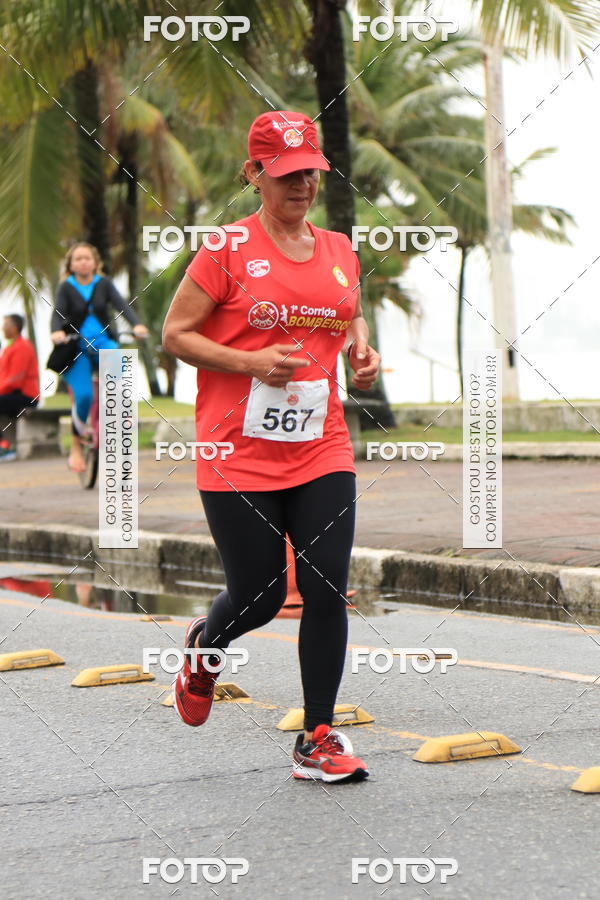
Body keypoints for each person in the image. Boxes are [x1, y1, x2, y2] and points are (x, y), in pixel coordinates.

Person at [163, 110, 381, 783]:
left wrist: (362, 352)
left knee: (325, 588)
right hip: (238, 452)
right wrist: (250, 363)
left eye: (311, 172)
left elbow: (348, 314)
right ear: (255, 173)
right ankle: (206, 645)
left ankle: (318, 736)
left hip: (322, 446)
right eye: (287, 174)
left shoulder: (340, 250)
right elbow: (176, 334)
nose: (303, 185)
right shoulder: (226, 248)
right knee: (257, 597)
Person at [49, 243, 149, 472]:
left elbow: (122, 306)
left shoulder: (104, 284)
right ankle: (76, 449)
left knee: (117, 374)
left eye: (87, 258)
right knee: (83, 396)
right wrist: (56, 332)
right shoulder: (66, 287)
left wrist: (137, 325)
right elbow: (57, 314)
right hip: (75, 347)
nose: (83, 262)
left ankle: (122, 419)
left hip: (104, 343)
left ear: (95, 262)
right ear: (71, 264)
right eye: (78, 259)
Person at [0, 314, 39, 461]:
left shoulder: (22, 347)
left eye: (5, 325)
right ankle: (6, 445)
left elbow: (15, 380)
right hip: (12, 395)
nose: (2, 328)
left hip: (26, 396)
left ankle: (5, 448)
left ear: (14, 328)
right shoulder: (9, 347)